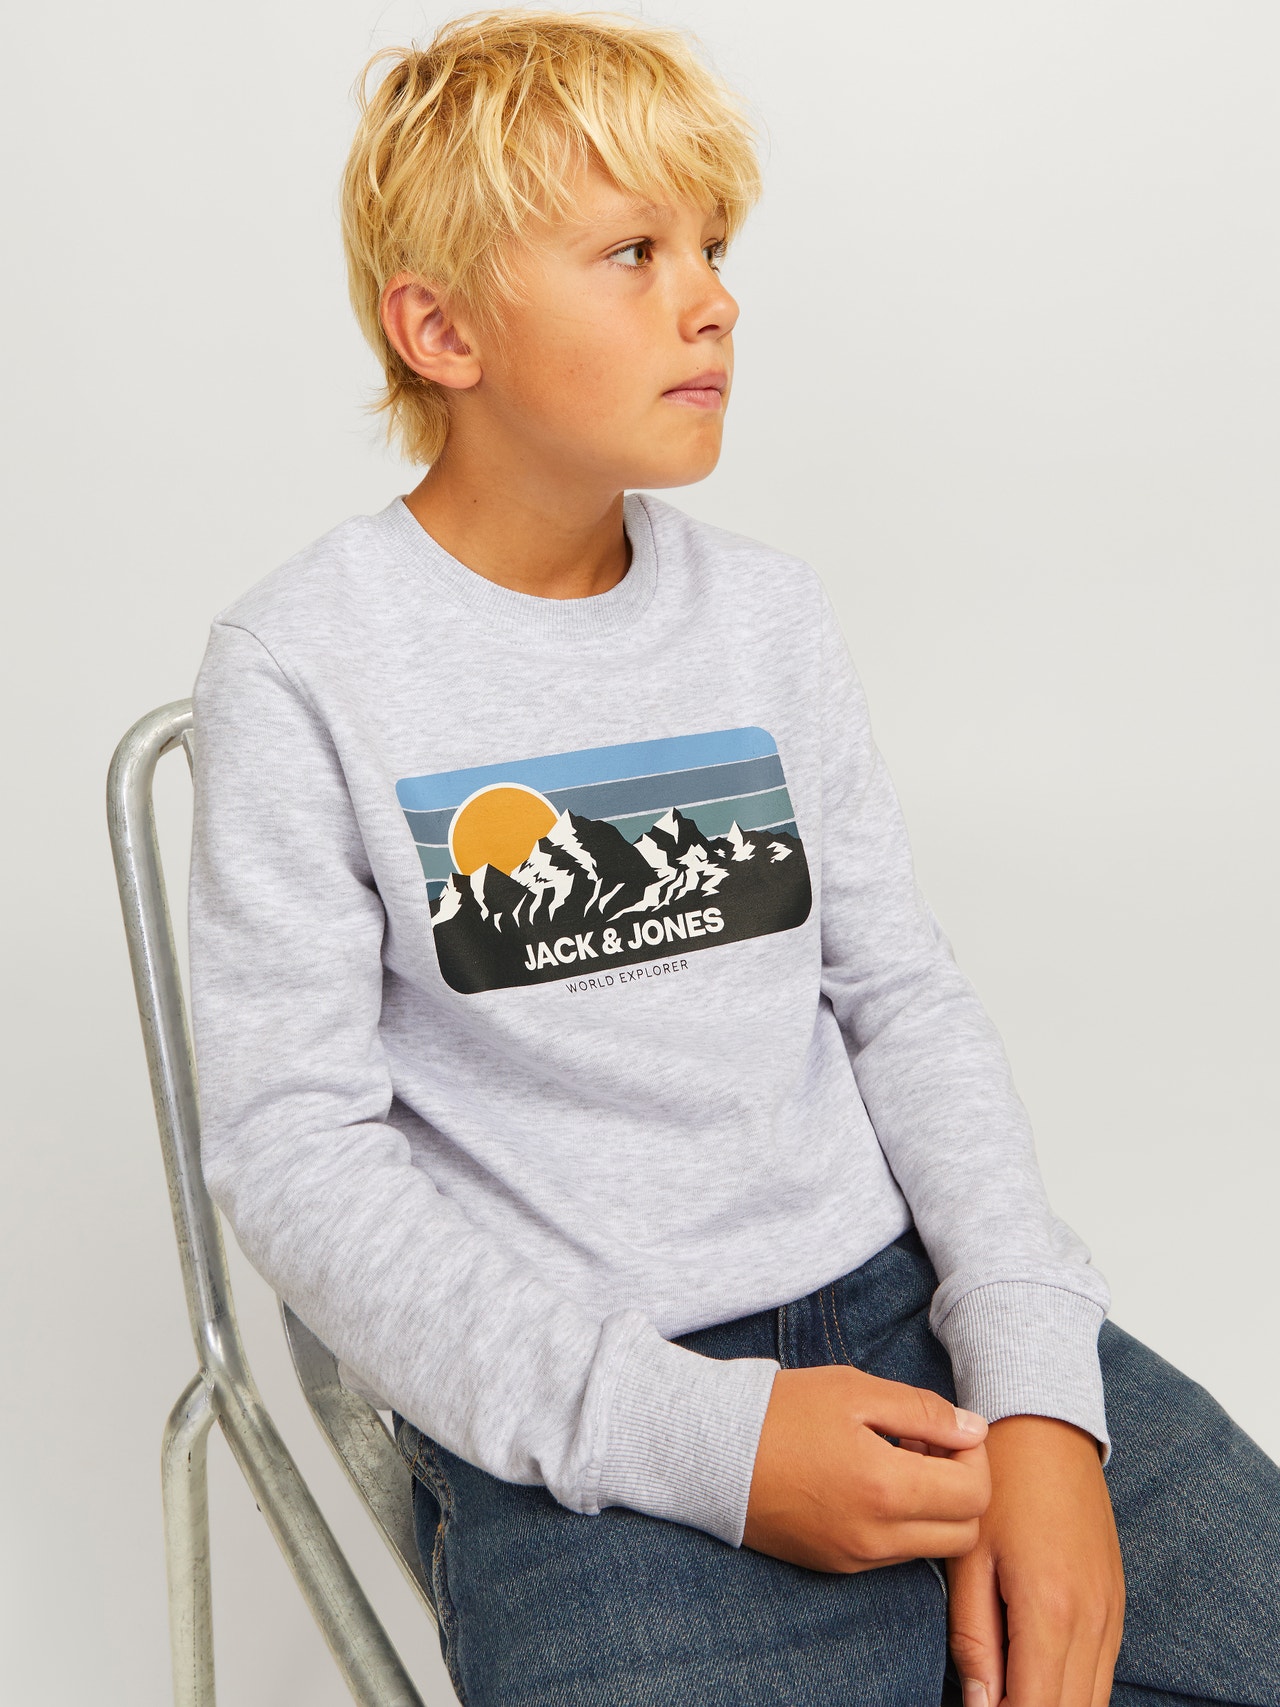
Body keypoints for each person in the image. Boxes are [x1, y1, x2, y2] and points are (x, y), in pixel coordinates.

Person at [187, 10, 1280, 1705]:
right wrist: (708, 1439)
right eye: (634, 253)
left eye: (714, 248)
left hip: (904, 1317)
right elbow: (294, 1156)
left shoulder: (766, 616)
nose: (712, 300)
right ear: (441, 329)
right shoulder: (303, 666)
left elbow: (901, 998)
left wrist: (1041, 1397)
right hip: (592, 1418)